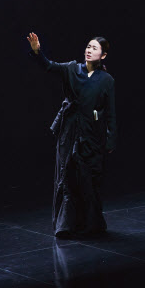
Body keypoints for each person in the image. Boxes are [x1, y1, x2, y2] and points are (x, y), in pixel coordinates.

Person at [27, 32, 117, 236]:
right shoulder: (72, 69)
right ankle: (65, 225)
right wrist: (37, 52)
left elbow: (111, 113)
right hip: (69, 131)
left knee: (88, 178)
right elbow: (49, 66)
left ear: (103, 55)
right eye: (88, 46)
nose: (89, 50)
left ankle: (91, 224)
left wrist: (111, 140)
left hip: (91, 133)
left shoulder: (107, 80)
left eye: (94, 48)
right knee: (66, 176)